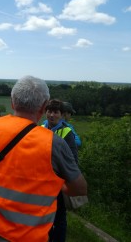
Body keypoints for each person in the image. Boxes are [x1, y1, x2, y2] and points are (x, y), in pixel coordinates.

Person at [0, 76, 87, 241]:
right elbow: (80, 189)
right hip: (27, 235)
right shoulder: (54, 143)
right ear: (43, 106)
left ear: (12, 102)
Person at [43, 99, 78, 242]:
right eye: (49, 111)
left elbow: (73, 160)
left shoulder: (67, 132)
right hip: (43, 181)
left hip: (58, 182)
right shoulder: (41, 128)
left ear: (62, 114)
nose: (52, 115)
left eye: (55, 112)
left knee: (59, 218)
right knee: (44, 215)